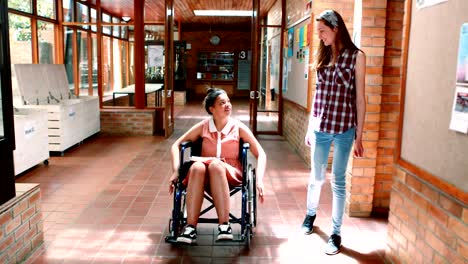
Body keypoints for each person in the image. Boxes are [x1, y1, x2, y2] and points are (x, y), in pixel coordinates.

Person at [301, 9, 366, 255]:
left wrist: (360, 135)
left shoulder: (357, 57)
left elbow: (360, 99)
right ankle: (310, 215)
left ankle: (336, 233)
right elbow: (317, 95)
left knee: (338, 181)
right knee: (316, 177)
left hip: (344, 129)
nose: (319, 36)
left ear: (335, 28)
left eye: (322, 31)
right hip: (320, 128)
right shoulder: (323, 54)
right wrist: (309, 127)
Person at [169, 88, 267, 245]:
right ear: (211, 109)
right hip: (203, 175)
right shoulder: (203, 126)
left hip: (230, 172)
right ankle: (190, 228)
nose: (228, 105)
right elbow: (176, 145)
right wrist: (175, 170)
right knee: (197, 167)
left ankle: (224, 226)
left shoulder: (238, 127)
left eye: (228, 101)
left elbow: (261, 154)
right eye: (222, 103)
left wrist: (260, 180)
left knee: (215, 165)